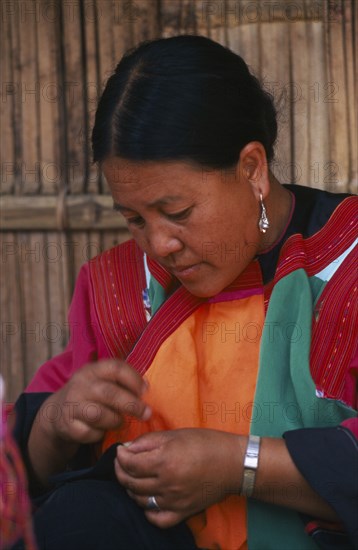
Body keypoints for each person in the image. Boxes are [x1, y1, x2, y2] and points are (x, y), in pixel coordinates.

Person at [10, 35, 357, 550]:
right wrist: (56, 422)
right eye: (134, 219)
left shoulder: (345, 266)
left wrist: (236, 467)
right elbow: (23, 466)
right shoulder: (121, 288)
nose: (160, 244)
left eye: (177, 213)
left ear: (251, 169)